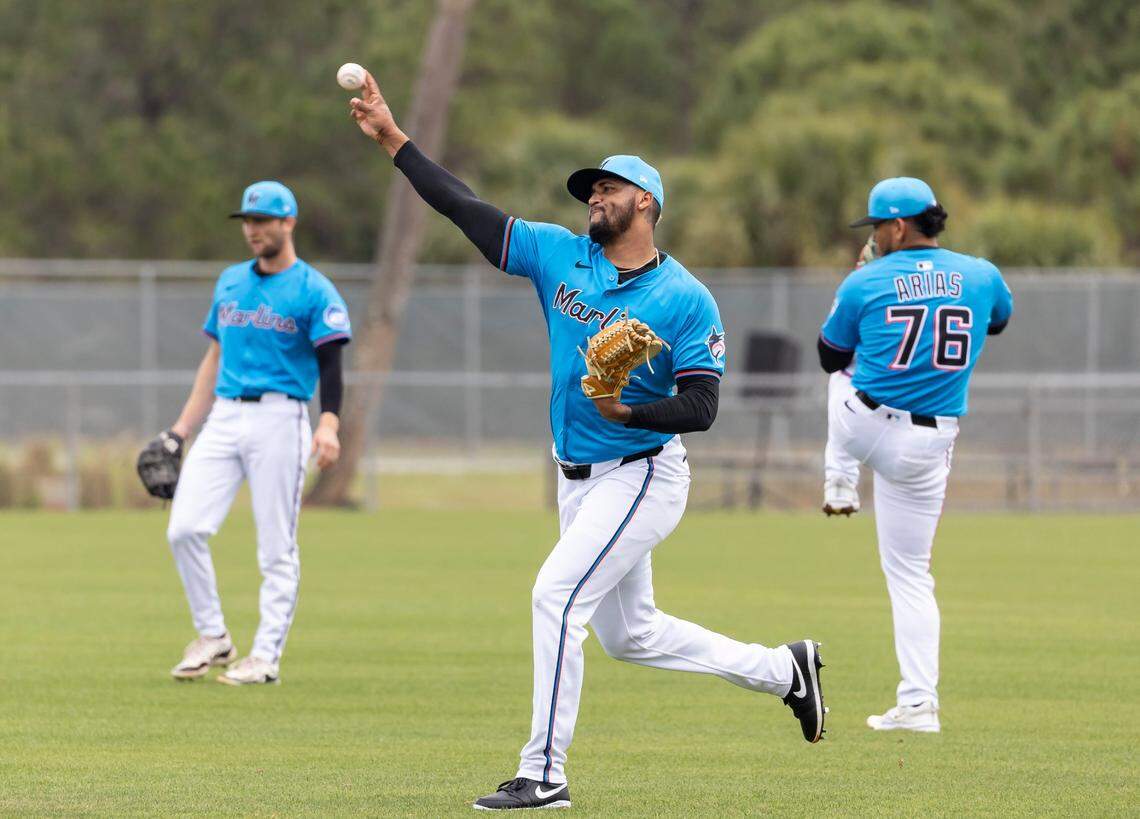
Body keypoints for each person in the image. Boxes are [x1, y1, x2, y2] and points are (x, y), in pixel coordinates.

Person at [347, 70, 826, 810]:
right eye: (589, 190)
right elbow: (465, 208)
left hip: (641, 472)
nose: (594, 197)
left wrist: (630, 411)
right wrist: (396, 142)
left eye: (608, 187)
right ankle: (784, 671)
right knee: (631, 635)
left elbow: (701, 405)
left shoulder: (682, 298)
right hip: (577, 476)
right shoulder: (559, 255)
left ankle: (544, 772)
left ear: (647, 202)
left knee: (556, 596)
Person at [818, 177, 1013, 732]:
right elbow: (997, 321)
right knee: (911, 575)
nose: (875, 235)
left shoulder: (868, 279)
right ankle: (920, 703)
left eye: (878, 226)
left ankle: (838, 480)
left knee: (840, 374)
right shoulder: (981, 273)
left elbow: (827, 353)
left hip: (864, 427)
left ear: (898, 226)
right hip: (932, 445)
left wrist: (862, 281)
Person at [163, 181, 352, 685]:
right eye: (247, 221)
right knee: (184, 528)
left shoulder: (314, 289)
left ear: (288, 223)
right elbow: (213, 358)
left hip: (280, 417)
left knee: (275, 545)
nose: (253, 230)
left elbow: (332, 366)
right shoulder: (229, 282)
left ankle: (264, 656)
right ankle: (214, 636)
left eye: (263, 220)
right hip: (224, 415)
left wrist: (328, 423)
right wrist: (182, 430)